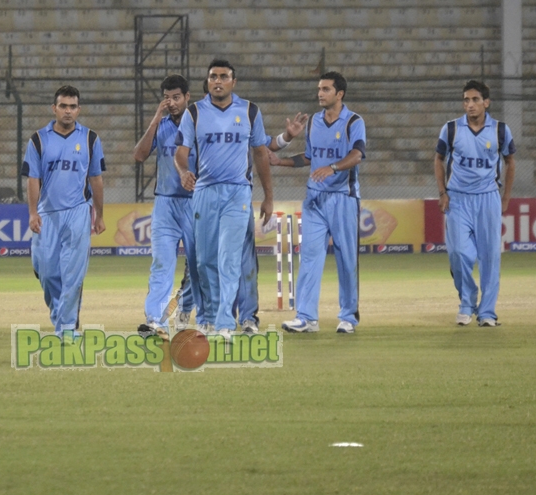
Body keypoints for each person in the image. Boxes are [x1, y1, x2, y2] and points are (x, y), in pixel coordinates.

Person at [174, 59, 273, 338]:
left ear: (233, 82)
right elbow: (181, 152)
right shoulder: (194, 112)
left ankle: (225, 323)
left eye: (223, 76)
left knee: (228, 259)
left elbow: (261, 154)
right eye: (213, 77)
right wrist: (183, 171)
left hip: (237, 192)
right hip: (204, 192)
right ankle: (208, 316)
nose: (218, 81)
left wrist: (268, 196)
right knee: (204, 261)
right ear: (207, 82)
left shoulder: (250, 111)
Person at [269, 71, 365, 334]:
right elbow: (310, 157)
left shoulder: (353, 121)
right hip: (314, 198)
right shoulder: (313, 122)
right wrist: (282, 162)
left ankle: (348, 317)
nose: (320, 93)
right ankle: (306, 318)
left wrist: (333, 168)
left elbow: (357, 154)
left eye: (325, 89)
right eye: (319, 89)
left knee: (347, 259)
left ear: (339, 94)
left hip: (344, 198)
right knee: (310, 257)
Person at [23, 85, 106, 336]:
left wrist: (99, 214)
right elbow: (32, 179)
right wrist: (33, 213)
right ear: (54, 108)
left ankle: (67, 328)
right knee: (47, 274)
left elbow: (96, 179)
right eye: (63, 106)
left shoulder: (90, 139)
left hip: (78, 212)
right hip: (48, 214)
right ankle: (61, 315)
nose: (68, 111)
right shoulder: (38, 139)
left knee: (72, 274)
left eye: (72, 107)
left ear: (78, 109)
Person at [434, 80, 516, 326]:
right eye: (466, 100)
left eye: (475, 100)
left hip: (488, 199)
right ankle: (467, 302)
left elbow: (511, 162)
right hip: (457, 198)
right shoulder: (451, 129)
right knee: (459, 254)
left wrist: (506, 198)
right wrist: (442, 192)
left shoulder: (500, 130)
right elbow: (438, 159)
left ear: (486, 103)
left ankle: (487, 313)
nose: (470, 105)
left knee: (490, 257)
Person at [132, 74, 203, 338]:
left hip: (196, 203)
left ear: (187, 97)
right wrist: (155, 117)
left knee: (198, 266)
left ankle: (185, 308)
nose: (171, 103)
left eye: (176, 97)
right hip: (165, 203)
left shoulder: (200, 125)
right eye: (167, 98)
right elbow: (139, 155)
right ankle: (154, 321)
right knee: (161, 263)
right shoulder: (160, 126)